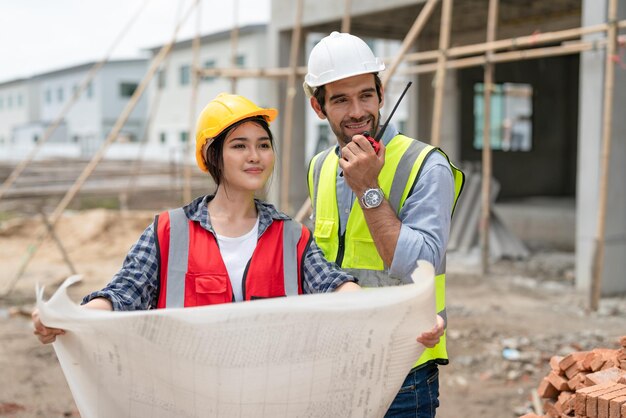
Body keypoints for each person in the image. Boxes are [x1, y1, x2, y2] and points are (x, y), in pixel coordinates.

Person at [33, 93, 360, 344]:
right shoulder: (168, 232)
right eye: (239, 145)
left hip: (270, 397)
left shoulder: (293, 237)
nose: (254, 156)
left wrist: (392, 311)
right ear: (211, 155)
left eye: (263, 144)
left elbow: (333, 286)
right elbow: (125, 293)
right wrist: (69, 317)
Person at [304, 32, 465, 417]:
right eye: (340, 99)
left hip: (402, 371)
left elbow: (418, 266)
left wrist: (368, 190)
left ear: (382, 93)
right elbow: (317, 262)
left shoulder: (425, 165)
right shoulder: (320, 166)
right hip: (332, 363)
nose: (357, 110)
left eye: (366, 95)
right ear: (318, 107)